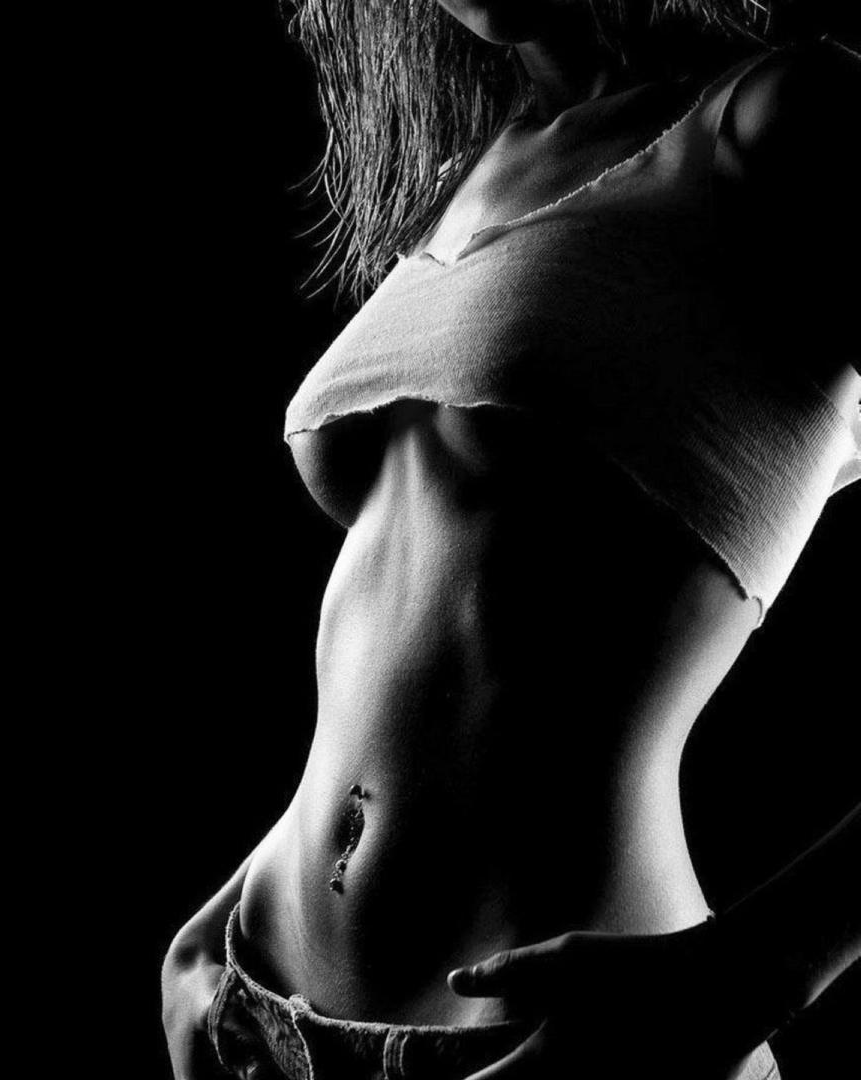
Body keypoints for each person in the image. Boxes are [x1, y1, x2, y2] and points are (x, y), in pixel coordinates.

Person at [163, 3, 860, 1078]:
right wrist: (211, 943)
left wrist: (745, 978)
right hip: (259, 1011)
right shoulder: (491, 161)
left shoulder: (785, 120)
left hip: (569, 1044)